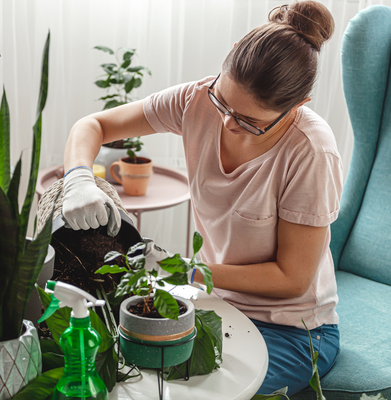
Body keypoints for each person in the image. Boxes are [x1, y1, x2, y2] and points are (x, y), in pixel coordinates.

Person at [61, 0, 341, 395]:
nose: (226, 122)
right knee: (123, 372)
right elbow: (93, 124)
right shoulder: (197, 100)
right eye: (223, 102)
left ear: (297, 107)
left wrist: (187, 272)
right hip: (218, 306)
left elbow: (292, 279)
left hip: (293, 331)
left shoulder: (311, 151)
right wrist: (78, 177)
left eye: (249, 121)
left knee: (186, 392)